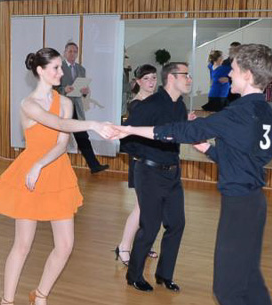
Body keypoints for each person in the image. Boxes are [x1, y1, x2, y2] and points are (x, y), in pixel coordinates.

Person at [115, 44, 272, 305]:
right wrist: (209, 149)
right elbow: (247, 158)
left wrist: (130, 129)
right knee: (250, 281)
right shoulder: (265, 112)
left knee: (227, 290)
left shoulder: (238, 113)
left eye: (233, 70)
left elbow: (181, 131)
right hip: (253, 203)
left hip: (240, 207)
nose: (228, 74)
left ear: (247, 75)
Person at [0, 48, 117, 305]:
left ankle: (40, 294)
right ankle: (6, 301)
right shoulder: (28, 104)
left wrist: (42, 164)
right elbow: (57, 123)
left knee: (65, 246)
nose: (61, 73)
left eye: (60, 68)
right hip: (30, 174)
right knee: (22, 245)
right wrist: (92, 124)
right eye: (55, 68)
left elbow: (62, 142)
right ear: (40, 70)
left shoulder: (64, 101)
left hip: (56, 172)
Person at [122, 62, 191, 292]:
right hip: (149, 172)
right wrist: (146, 156)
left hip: (173, 172)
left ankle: (164, 275)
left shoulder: (180, 106)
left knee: (176, 224)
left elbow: (179, 134)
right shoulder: (148, 105)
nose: (189, 79)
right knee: (150, 227)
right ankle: (134, 276)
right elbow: (126, 137)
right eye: (186, 75)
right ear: (172, 78)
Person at [115, 64, 160, 267]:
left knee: (151, 207)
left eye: (153, 78)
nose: (151, 82)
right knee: (142, 207)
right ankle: (124, 246)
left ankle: (143, 244)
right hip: (142, 161)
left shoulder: (155, 101)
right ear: (138, 82)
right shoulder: (136, 105)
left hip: (156, 159)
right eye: (147, 78)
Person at [57, 42, 109, 174]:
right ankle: (55, 167)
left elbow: (82, 90)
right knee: (57, 138)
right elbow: (52, 89)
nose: (72, 54)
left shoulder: (81, 69)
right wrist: (63, 90)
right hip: (62, 108)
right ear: (64, 52)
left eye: (75, 51)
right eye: (70, 51)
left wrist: (85, 91)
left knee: (82, 137)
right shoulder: (58, 68)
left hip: (77, 108)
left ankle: (94, 166)